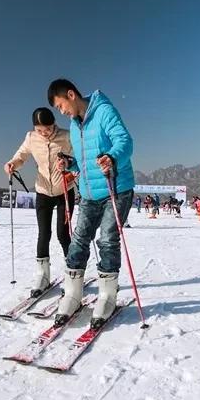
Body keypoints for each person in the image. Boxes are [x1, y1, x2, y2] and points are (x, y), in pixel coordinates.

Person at [48, 78, 134, 329]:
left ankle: (107, 295)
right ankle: (73, 294)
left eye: (61, 105)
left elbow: (125, 141)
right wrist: (69, 164)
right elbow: (83, 161)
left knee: (107, 239)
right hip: (88, 192)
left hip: (115, 187)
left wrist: (111, 157)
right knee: (78, 239)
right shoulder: (76, 126)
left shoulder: (104, 111)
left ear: (71, 95)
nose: (61, 112)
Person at [5, 107, 76, 294]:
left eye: (48, 129)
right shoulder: (31, 138)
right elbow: (21, 155)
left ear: (54, 124)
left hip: (64, 192)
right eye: (40, 130)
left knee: (63, 234)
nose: (44, 133)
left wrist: (72, 171)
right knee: (43, 233)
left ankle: (72, 273)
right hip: (43, 191)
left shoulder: (67, 136)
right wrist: (12, 163)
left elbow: (79, 157)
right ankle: (43, 276)